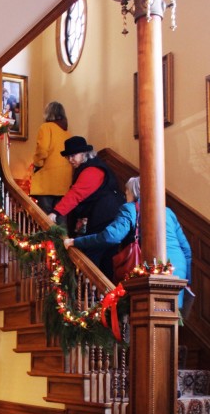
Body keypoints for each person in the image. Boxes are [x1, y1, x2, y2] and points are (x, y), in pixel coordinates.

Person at [64, 176, 193, 306]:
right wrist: (187, 281)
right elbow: (186, 249)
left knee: (143, 312)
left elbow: (110, 236)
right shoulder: (168, 211)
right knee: (171, 314)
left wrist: (77, 242)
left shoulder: (130, 208)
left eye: (127, 191)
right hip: (177, 268)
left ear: (133, 192)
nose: (125, 194)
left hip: (151, 265)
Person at [47, 136, 124, 244]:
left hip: (104, 219)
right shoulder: (87, 166)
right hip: (103, 218)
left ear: (84, 153)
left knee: (92, 257)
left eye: (73, 156)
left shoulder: (92, 170)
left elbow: (76, 194)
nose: (70, 160)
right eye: (68, 157)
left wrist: (55, 212)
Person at [29, 101, 72, 216]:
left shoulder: (46, 127)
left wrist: (37, 165)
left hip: (47, 181)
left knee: (45, 220)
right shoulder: (67, 132)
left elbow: (42, 150)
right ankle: (63, 235)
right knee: (60, 218)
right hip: (64, 181)